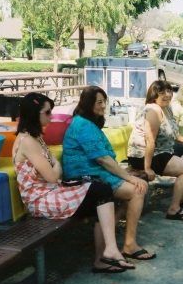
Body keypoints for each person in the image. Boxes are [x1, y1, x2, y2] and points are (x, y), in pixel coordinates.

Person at [12, 92, 134, 273]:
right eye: (47, 112)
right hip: (40, 200)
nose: (51, 117)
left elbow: (53, 170)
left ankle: (106, 255)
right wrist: (55, 166)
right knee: (100, 191)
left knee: (101, 190)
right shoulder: (28, 141)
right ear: (34, 113)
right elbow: (53, 176)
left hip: (51, 192)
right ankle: (108, 252)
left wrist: (54, 165)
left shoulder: (35, 137)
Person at [62, 86, 155, 261]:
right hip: (86, 177)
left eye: (104, 101)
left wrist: (129, 177)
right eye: (99, 102)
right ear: (88, 103)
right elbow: (103, 159)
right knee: (137, 190)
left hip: (96, 173)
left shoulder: (86, 121)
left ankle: (110, 231)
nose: (103, 105)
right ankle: (129, 244)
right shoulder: (84, 125)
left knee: (137, 189)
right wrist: (129, 177)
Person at [127, 80, 183, 221]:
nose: (167, 95)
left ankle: (180, 200)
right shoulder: (153, 110)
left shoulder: (167, 108)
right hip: (144, 155)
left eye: (169, 91)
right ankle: (173, 209)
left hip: (161, 152)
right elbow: (150, 140)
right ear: (154, 95)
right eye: (162, 92)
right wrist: (147, 168)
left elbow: (173, 133)